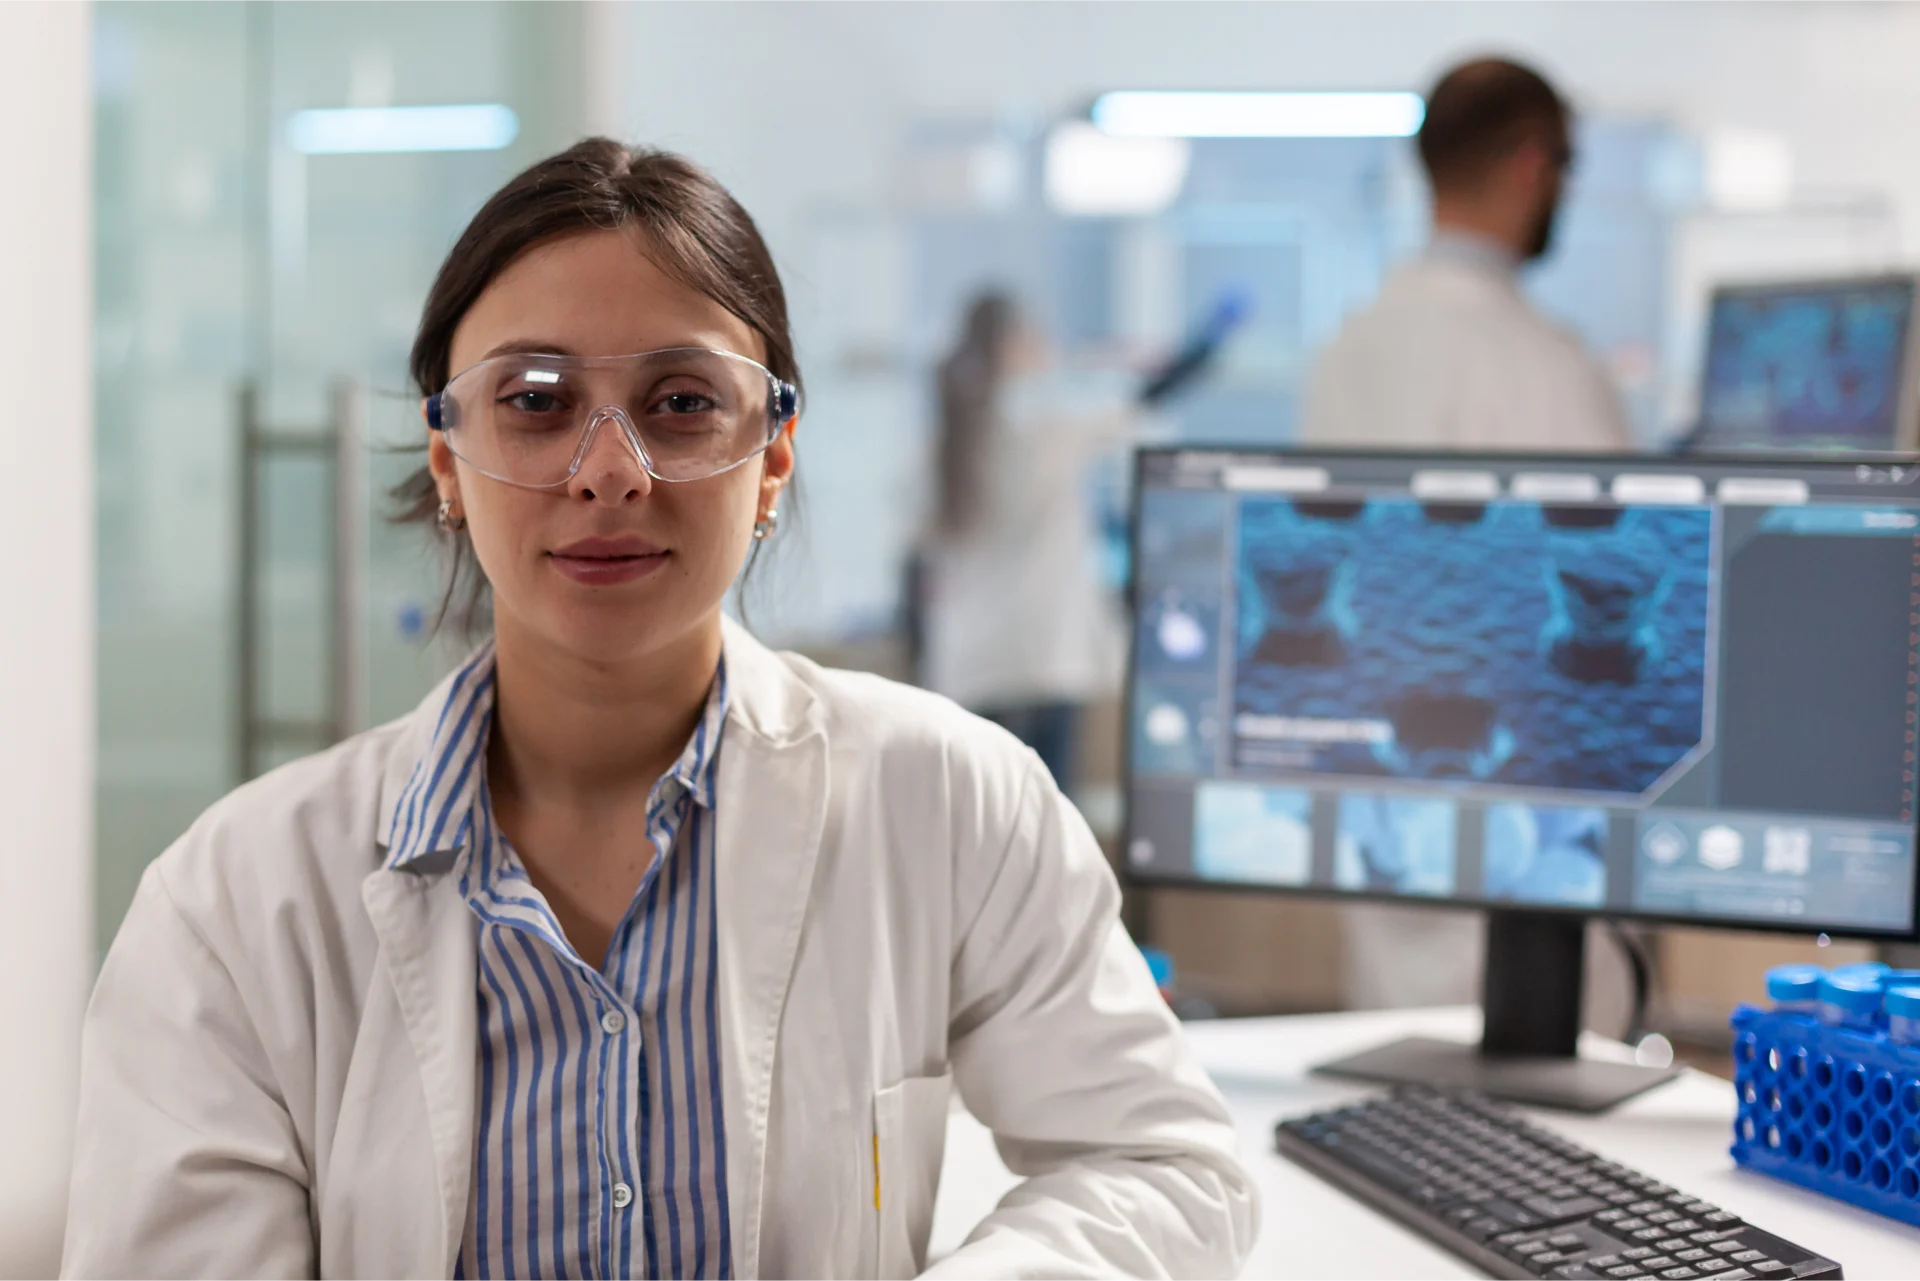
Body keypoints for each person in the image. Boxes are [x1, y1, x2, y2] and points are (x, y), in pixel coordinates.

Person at [61, 141, 1256, 1280]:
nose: (610, 470)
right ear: (446, 463)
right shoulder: (232, 904)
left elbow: (1159, 1164)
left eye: (683, 403)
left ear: (774, 458)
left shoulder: (951, 800)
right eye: (535, 399)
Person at [1300, 58, 1635, 1012]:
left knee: (1400, 1095)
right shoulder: (1542, 364)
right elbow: (1615, 587)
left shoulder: (1350, 347)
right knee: (1553, 1133)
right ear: (1536, 164)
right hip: (1521, 818)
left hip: (1387, 792)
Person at [918, 291, 1243, 790]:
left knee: (974, 833)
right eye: (1034, 334)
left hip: (972, 667)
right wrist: (1211, 338)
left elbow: (918, 570)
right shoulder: (1047, 426)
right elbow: (1149, 394)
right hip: (1045, 659)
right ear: (1012, 347)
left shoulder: (944, 442)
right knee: (1047, 832)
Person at [1301, 57, 1633, 452]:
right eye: (1567, 164)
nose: (1568, 189)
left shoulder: (1342, 351)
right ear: (1532, 167)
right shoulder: (1552, 371)